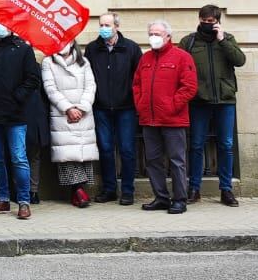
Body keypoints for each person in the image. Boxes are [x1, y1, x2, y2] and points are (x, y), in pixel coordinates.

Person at [181, 4, 247, 207]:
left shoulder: (227, 39)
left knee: (226, 145)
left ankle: (226, 190)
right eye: (204, 20)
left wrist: (223, 40)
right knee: (196, 144)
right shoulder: (189, 41)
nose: (207, 24)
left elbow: (240, 60)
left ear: (218, 22)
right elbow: (180, 65)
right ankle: (194, 188)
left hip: (224, 100)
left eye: (211, 22)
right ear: (199, 19)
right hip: (199, 100)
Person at [0, 22, 43, 219]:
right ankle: (3, 199)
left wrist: (17, 97)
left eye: (3, 23)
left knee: (18, 158)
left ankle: (23, 201)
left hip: (15, 114)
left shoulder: (23, 49)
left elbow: (32, 79)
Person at [134, 20, 198, 215]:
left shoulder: (182, 57)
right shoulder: (145, 59)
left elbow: (189, 87)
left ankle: (180, 199)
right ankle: (161, 197)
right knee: (153, 160)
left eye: (158, 34)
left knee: (177, 161)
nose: (153, 37)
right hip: (149, 119)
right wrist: (141, 104)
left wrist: (172, 105)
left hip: (173, 119)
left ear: (168, 36)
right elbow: (136, 85)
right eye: (151, 33)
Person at [85, 12, 141, 205]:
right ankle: (109, 189)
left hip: (126, 108)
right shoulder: (93, 49)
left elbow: (139, 78)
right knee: (106, 149)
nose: (103, 28)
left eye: (107, 25)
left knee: (126, 150)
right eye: (101, 24)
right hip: (101, 107)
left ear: (116, 26)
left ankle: (127, 190)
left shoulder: (131, 48)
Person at [42, 38, 99, 208]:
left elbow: (91, 86)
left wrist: (82, 108)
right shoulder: (48, 62)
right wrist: (67, 108)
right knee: (67, 154)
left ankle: (80, 190)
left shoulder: (84, 62)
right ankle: (77, 191)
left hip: (83, 114)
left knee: (82, 152)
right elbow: (50, 88)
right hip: (62, 114)